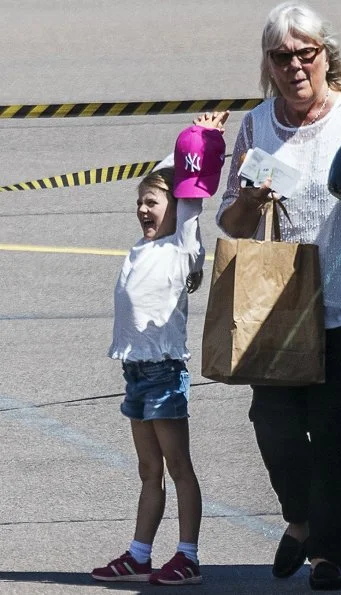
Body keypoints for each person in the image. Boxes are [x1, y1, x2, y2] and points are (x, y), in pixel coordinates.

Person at [216, 2, 341, 591]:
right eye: (282, 56)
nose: (295, 66)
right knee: (271, 419)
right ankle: (300, 518)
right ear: (268, 65)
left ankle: (328, 557)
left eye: (306, 53)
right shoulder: (256, 125)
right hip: (283, 302)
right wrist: (250, 197)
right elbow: (231, 221)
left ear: (327, 55)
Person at [91, 111, 228, 586]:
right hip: (134, 372)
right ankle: (139, 554)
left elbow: (189, 187)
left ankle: (187, 555)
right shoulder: (140, 248)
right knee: (149, 470)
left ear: (175, 206)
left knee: (178, 468)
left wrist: (203, 136)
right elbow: (170, 178)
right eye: (140, 204)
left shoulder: (182, 245)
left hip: (165, 373)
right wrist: (175, 155)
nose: (144, 211)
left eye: (152, 203)